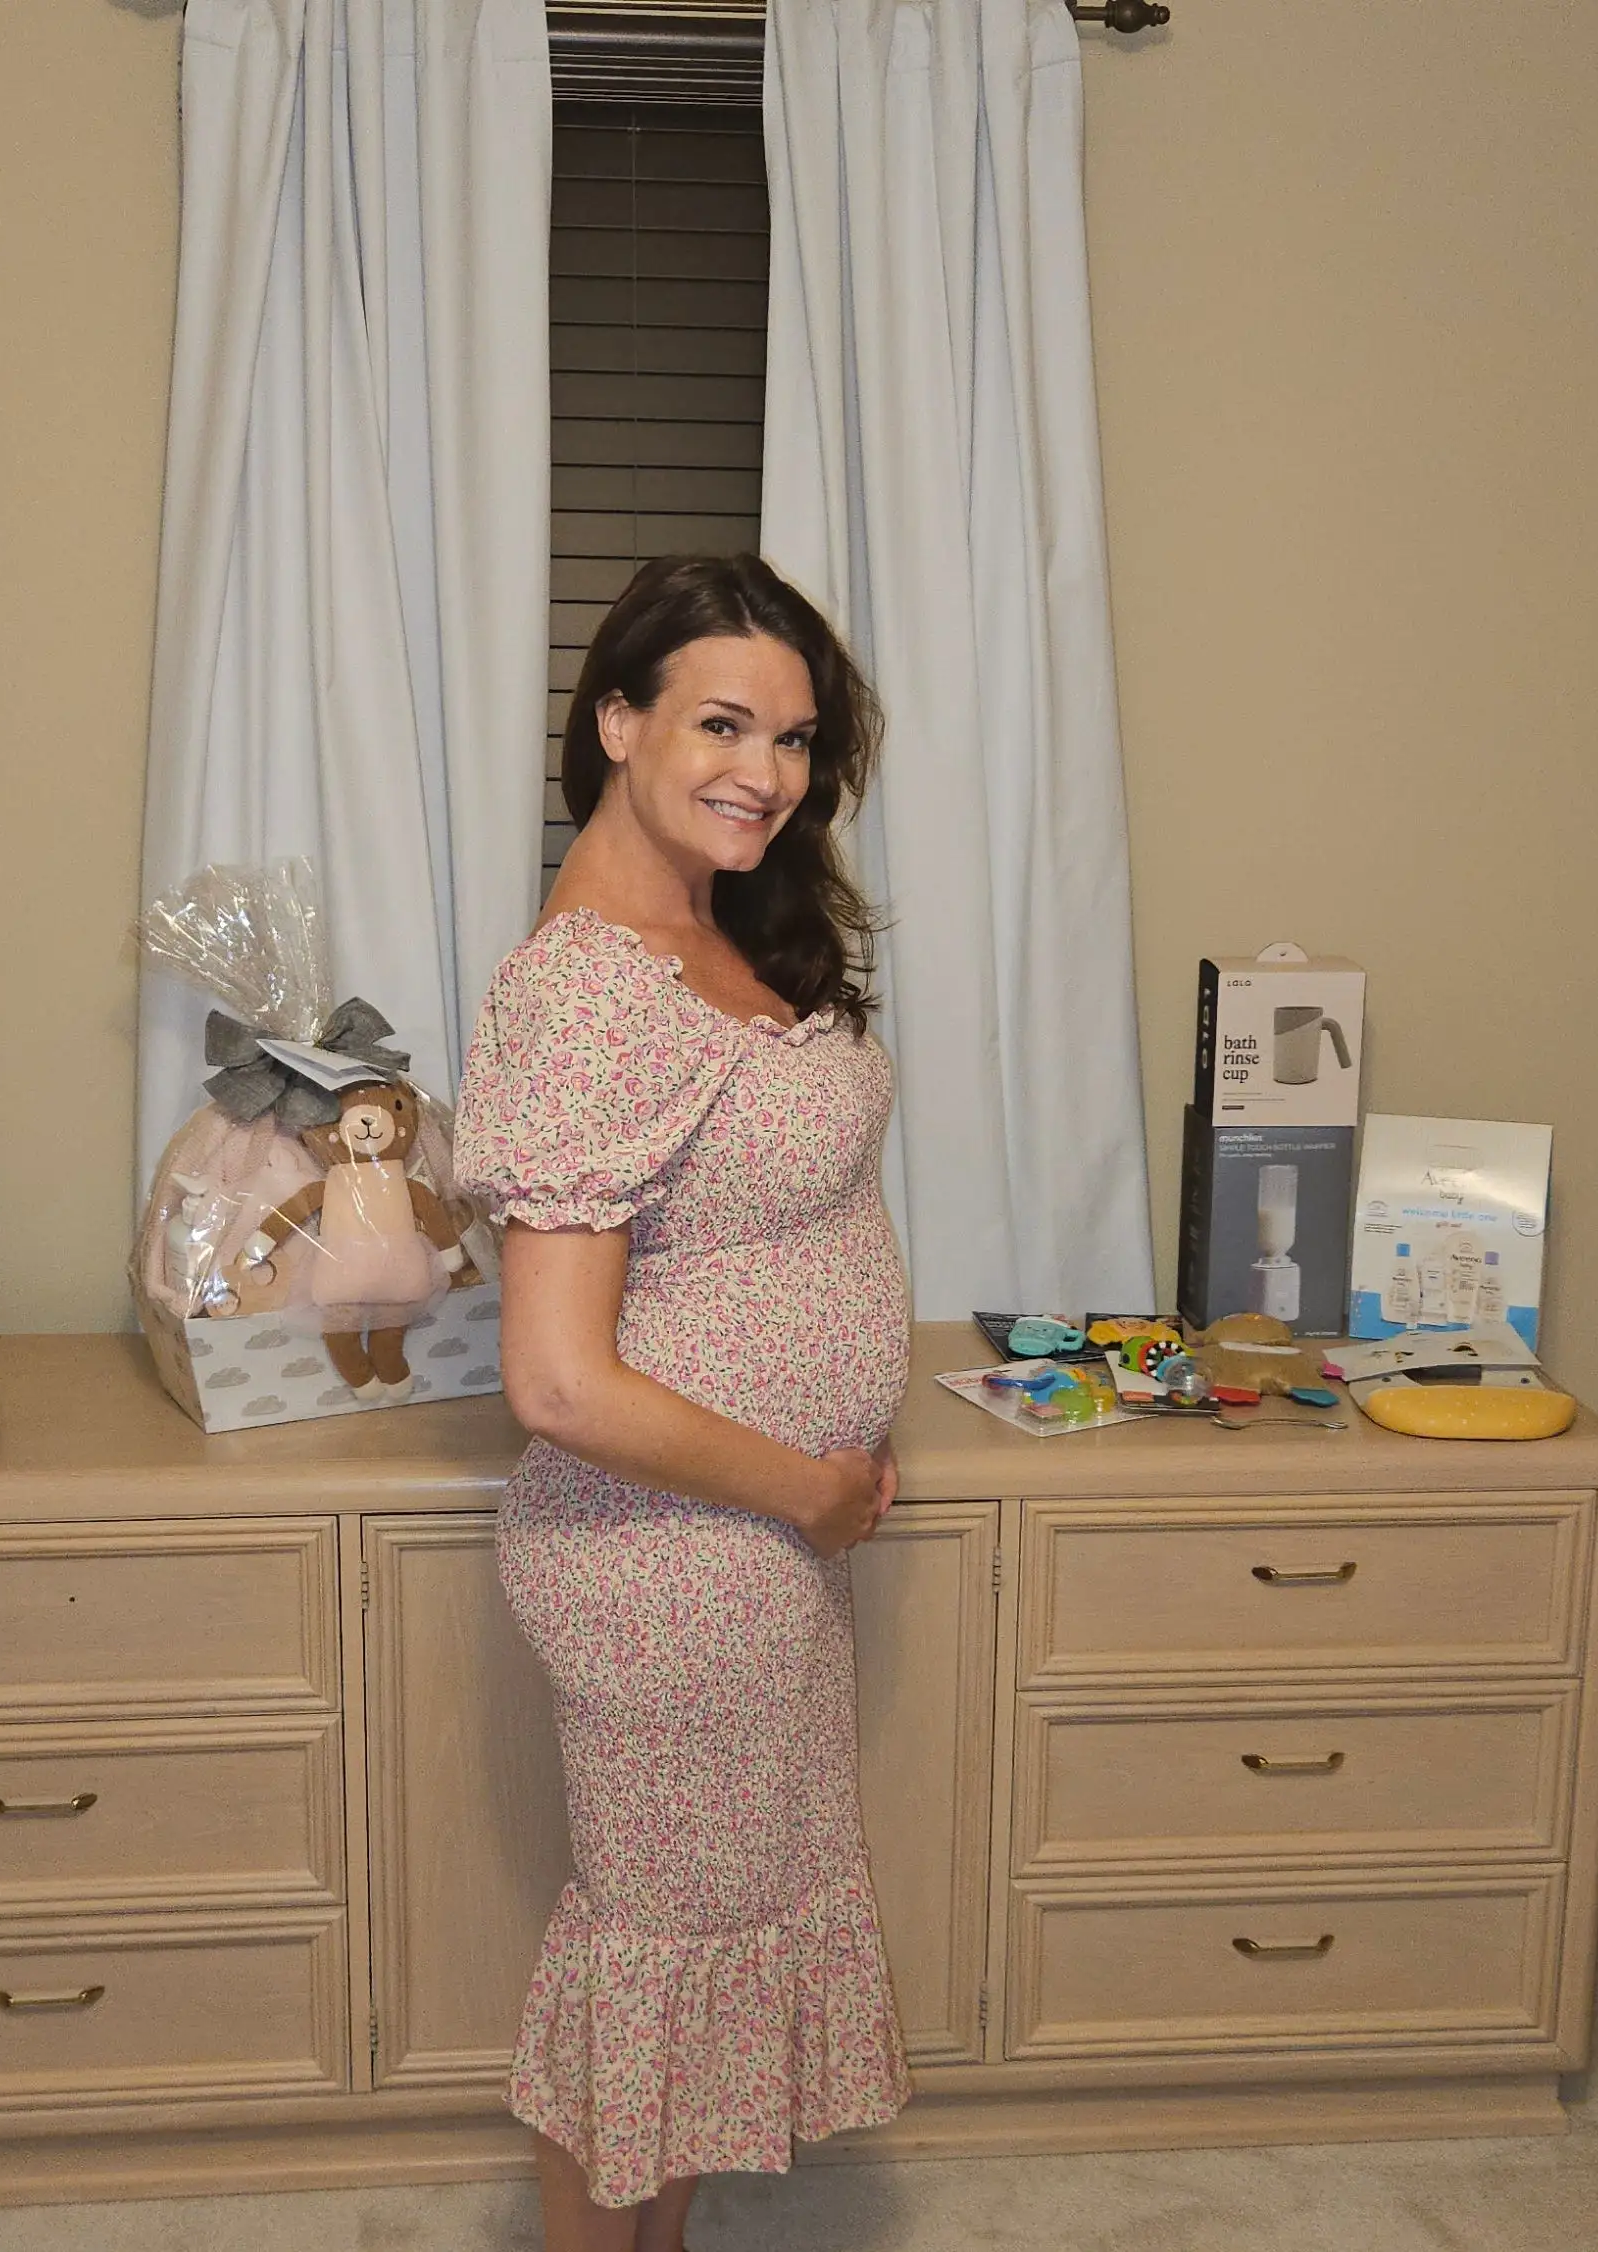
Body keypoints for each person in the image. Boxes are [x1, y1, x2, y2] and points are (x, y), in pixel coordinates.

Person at [455, 553, 914, 2252]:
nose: (765, 774)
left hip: (757, 1548)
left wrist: (819, 1486)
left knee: (709, 1954)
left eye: (794, 740)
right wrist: (801, 1487)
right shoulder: (587, 988)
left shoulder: (714, 929)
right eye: (722, 724)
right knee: (654, 1958)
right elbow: (558, 1380)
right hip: (671, 1557)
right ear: (618, 720)